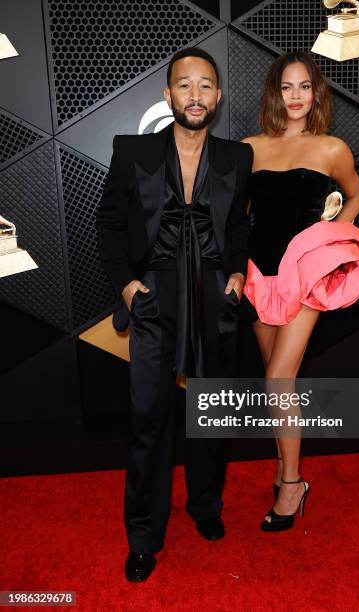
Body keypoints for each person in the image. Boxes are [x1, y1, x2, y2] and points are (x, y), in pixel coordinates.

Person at [96, 47, 253, 580]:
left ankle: (205, 505)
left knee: (213, 408)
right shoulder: (133, 151)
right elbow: (110, 223)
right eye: (184, 85)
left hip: (214, 293)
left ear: (218, 96)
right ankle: (144, 533)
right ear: (168, 95)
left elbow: (238, 227)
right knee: (149, 418)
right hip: (155, 295)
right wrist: (126, 286)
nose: (195, 94)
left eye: (205, 85)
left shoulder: (237, 157)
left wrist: (237, 273)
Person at [241, 51, 359, 532]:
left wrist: (331, 236)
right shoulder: (249, 147)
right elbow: (242, 214)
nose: (295, 96)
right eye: (286, 87)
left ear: (316, 94)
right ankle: (282, 470)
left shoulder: (332, 148)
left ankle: (292, 485)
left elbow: (355, 194)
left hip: (305, 277)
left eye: (304, 87)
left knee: (278, 379)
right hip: (260, 273)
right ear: (274, 93)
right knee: (277, 382)